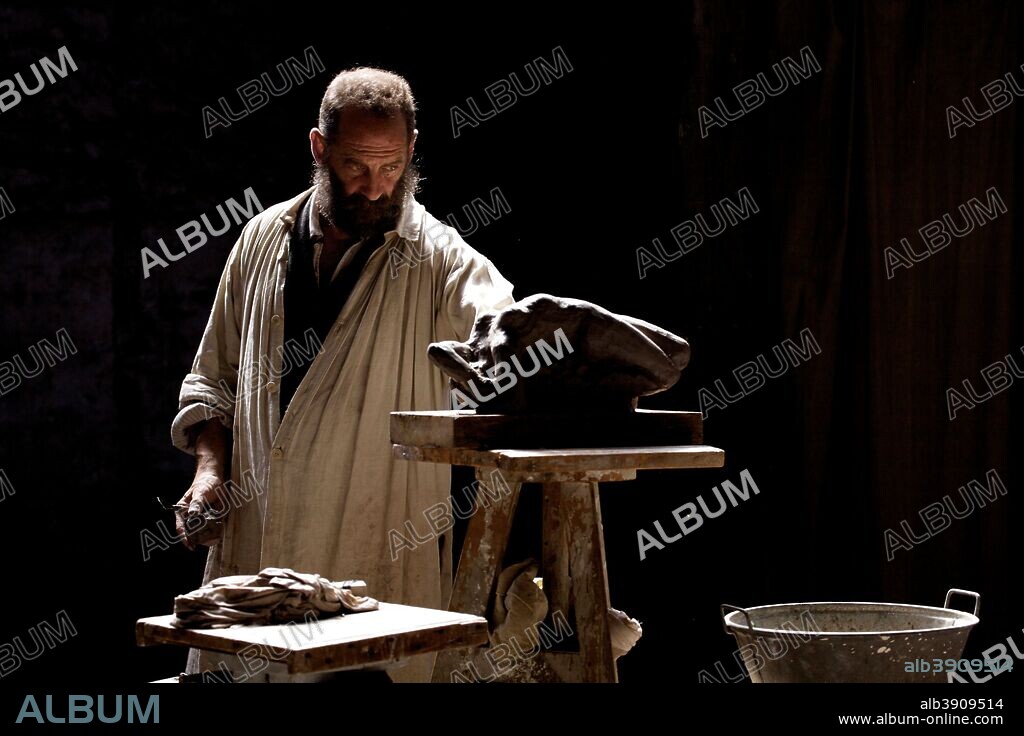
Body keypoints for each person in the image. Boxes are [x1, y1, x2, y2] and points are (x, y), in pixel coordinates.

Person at [169, 67, 515, 682]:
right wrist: (209, 472)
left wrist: (532, 348)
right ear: (319, 148)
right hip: (253, 546)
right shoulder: (259, 241)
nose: (376, 190)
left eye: (391, 169)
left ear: (411, 152)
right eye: (356, 167)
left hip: (373, 547)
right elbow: (211, 382)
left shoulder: (436, 256)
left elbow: (503, 323)